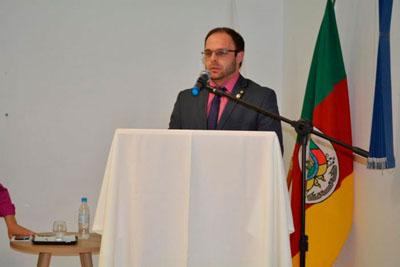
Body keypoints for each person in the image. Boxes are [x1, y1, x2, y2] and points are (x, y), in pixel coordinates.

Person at [169, 27, 283, 152]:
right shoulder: (186, 99)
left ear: (239, 56)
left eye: (221, 53)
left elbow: (272, 154)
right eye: (208, 53)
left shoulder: (261, 98)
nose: (212, 59)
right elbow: (173, 149)